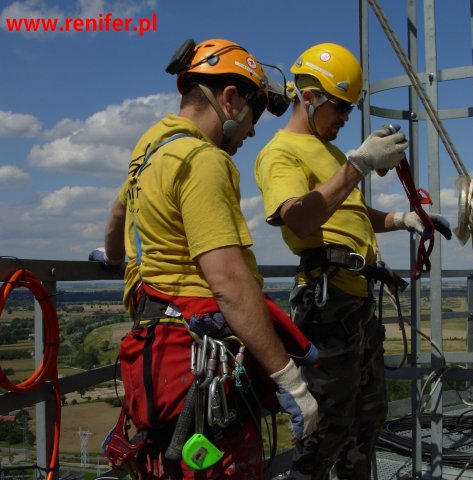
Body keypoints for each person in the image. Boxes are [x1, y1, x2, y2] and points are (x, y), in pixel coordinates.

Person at [94, 38, 318, 479]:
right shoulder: (203, 159)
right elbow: (230, 284)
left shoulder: (150, 150)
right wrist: (289, 380)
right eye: (252, 116)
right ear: (230, 98)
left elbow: (118, 215)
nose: (252, 132)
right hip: (199, 365)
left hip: (157, 356)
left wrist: (115, 259)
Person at [254, 42, 452, 479]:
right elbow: (301, 218)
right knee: (325, 431)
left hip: (356, 308)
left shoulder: (331, 154)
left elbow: (350, 216)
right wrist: (360, 163)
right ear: (309, 98)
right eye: (340, 109)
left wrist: (402, 219)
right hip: (327, 310)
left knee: (366, 422)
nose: (345, 119)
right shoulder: (280, 153)